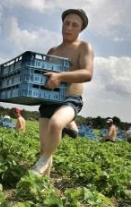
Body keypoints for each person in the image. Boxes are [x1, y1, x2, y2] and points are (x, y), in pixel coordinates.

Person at [30, 8, 94, 176]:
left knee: (57, 123)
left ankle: (42, 161)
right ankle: (44, 186)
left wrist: (60, 76)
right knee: (45, 147)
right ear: (62, 25)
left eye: (75, 25)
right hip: (49, 100)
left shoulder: (83, 47)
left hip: (70, 99)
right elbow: (43, 76)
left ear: (81, 29)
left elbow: (87, 73)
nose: (69, 28)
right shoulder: (52, 51)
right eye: (67, 23)